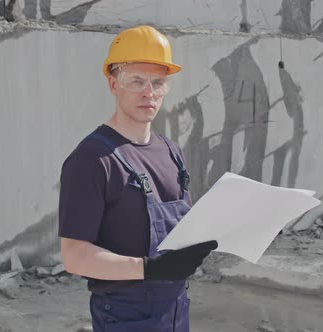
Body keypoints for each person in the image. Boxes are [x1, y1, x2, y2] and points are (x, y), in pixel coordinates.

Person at [58, 25, 218, 332]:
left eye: (158, 82)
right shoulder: (91, 160)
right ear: (113, 83)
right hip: (125, 317)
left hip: (175, 310)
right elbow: (75, 256)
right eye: (136, 81)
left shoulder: (171, 151)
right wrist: (149, 269)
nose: (149, 92)